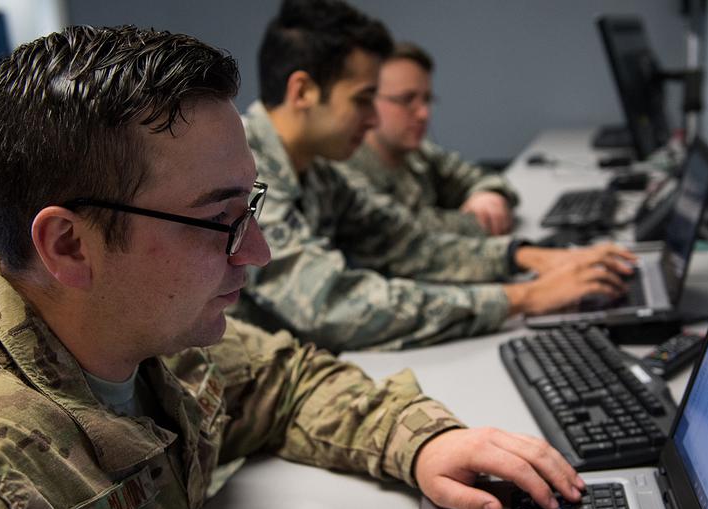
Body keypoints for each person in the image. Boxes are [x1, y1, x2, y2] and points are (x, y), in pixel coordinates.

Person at [0, 25, 587, 509]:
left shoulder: (145, 332)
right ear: (69, 247)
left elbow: (286, 378)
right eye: (220, 218)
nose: (257, 251)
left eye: (249, 206)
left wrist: (421, 441)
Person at [238, 0, 636, 352]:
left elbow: (411, 245)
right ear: (303, 91)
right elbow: (333, 305)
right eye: (363, 100)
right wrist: (523, 297)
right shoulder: (240, 172)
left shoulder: (317, 168)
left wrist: (527, 257)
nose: (375, 118)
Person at [337, 41, 517, 237]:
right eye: (406, 99)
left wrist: (488, 195)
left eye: (427, 99)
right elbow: (409, 234)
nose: (424, 113)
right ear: (368, 100)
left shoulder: (418, 153)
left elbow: (477, 176)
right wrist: (480, 220)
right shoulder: (345, 171)